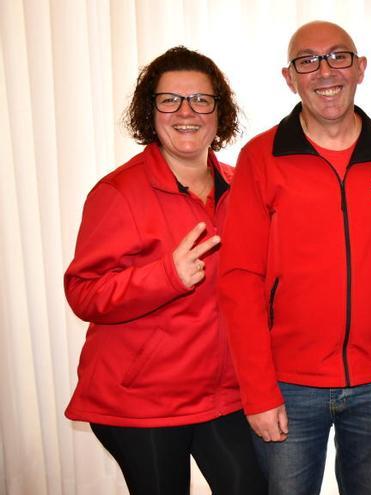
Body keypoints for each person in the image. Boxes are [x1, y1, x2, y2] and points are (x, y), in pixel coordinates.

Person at [217, 21, 371, 495]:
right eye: (307, 61)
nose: (325, 71)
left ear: (361, 68)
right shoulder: (261, 156)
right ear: (290, 77)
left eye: (338, 57)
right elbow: (240, 279)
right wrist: (257, 390)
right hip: (289, 385)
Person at [64, 46, 266, 494]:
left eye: (200, 99)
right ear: (150, 111)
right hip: (142, 401)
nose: (186, 111)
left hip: (223, 394)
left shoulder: (243, 185)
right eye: (169, 99)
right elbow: (84, 293)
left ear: (219, 110)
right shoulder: (117, 193)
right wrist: (166, 277)